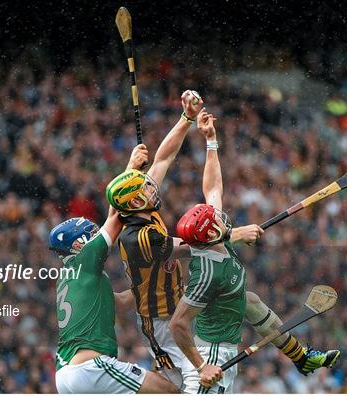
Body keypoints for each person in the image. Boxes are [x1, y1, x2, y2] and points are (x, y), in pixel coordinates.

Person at [169, 108, 341, 393]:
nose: (221, 216)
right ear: (212, 233)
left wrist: (211, 141)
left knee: (249, 300)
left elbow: (213, 190)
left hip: (221, 347)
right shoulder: (210, 273)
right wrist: (201, 366)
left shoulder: (211, 241)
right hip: (212, 354)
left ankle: (301, 358)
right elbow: (178, 324)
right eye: (218, 222)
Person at [105, 91, 263, 388]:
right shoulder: (138, 236)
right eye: (144, 190)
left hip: (179, 306)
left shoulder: (143, 208)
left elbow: (164, 157)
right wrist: (233, 234)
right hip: (161, 321)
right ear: (133, 204)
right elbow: (191, 245)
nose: (152, 188)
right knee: (188, 384)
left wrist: (186, 119)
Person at [51, 145, 178, 394]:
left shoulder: (71, 277)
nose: (94, 234)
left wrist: (155, 282)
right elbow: (118, 215)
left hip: (65, 375)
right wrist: (131, 168)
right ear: (77, 244)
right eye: (89, 234)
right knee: (169, 390)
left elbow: (118, 302)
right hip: (90, 368)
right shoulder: (85, 258)